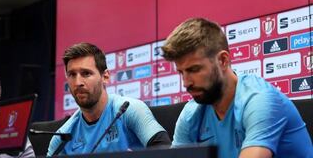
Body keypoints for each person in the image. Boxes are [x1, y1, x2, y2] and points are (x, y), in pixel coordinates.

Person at [161, 18, 313, 158]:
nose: (186, 83)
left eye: (194, 70)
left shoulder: (261, 101)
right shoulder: (191, 114)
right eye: (181, 72)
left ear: (223, 60)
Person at [47, 42, 171, 156]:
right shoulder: (63, 136)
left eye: (86, 73)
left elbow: (166, 151)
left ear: (105, 77)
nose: (78, 82)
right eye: (72, 75)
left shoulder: (129, 110)